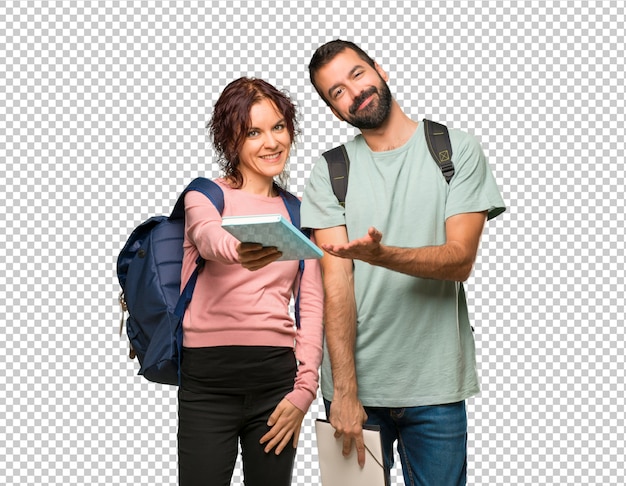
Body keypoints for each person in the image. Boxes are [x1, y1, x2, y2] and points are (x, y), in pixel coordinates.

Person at [301, 40, 506, 485]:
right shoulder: (330, 170)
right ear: (336, 112)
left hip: (435, 388)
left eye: (357, 75)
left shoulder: (453, 149)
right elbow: (337, 284)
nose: (353, 92)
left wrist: (382, 255)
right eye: (336, 92)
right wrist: (345, 391)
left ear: (380, 69)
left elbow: (459, 260)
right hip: (354, 394)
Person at [177, 77, 324, 486]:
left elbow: (311, 306)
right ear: (231, 142)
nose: (271, 142)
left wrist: (304, 390)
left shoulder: (299, 214)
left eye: (278, 127)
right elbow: (207, 237)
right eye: (253, 132)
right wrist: (240, 249)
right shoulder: (205, 195)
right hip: (207, 383)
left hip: (276, 383)